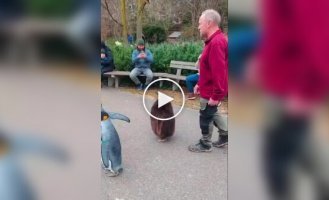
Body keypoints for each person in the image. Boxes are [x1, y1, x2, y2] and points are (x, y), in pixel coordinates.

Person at [188, 9, 228, 153]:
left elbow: (220, 72)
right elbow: (208, 69)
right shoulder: (212, 41)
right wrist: (199, 83)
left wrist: (216, 96)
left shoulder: (216, 43)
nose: (198, 26)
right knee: (213, 113)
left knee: (205, 116)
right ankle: (225, 134)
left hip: (212, 91)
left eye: (200, 23)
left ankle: (205, 144)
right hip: (208, 88)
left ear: (209, 23)